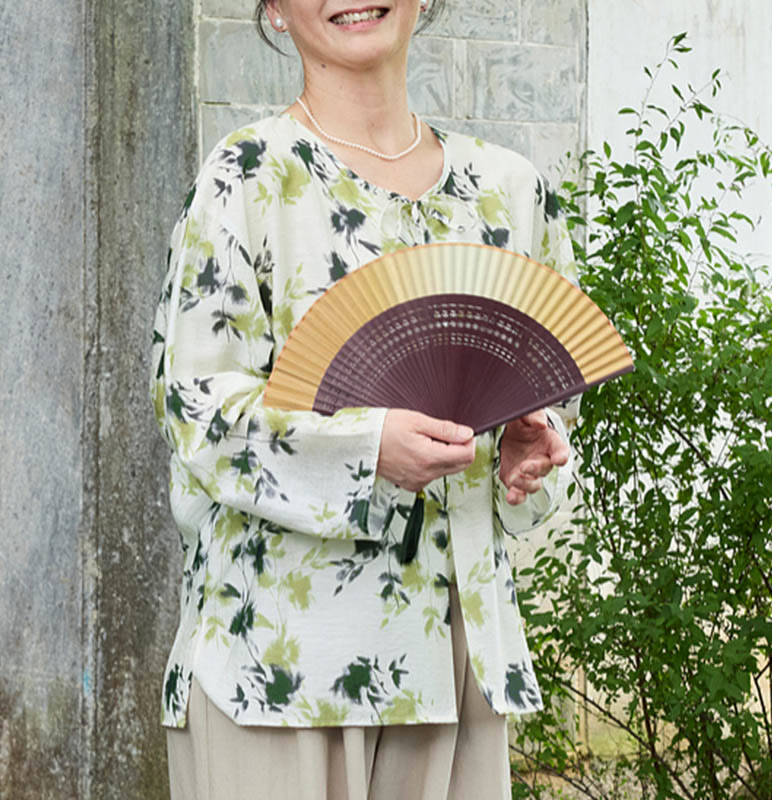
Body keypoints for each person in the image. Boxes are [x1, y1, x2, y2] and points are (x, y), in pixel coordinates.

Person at [149, 0, 579, 797]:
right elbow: (198, 416)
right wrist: (364, 449)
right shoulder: (246, 177)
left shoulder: (510, 192)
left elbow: (547, 419)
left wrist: (532, 448)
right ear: (273, 9)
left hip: (457, 663)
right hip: (277, 664)